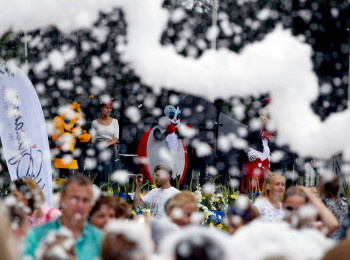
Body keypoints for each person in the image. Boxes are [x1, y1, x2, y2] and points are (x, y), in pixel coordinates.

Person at [20, 174, 104, 260]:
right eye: (74, 198)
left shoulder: (101, 240)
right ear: (61, 199)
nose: (80, 205)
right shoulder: (36, 236)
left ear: (91, 204)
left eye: (85, 200)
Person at [91, 98, 121, 185]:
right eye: (106, 108)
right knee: (96, 171)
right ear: (101, 108)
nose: (109, 110)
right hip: (98, 148)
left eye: (110, 108)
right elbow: (93, 140)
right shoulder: (94, 123)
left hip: (110, 148)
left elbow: (116, 138)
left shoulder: (114, 121)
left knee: (110, 171)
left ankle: (110, 190)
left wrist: (107, 144)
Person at [319, 175, 348, 240]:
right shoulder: (344, 204)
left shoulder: (322, 203)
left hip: (325, 238)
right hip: (339, 239)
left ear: (324, 186)